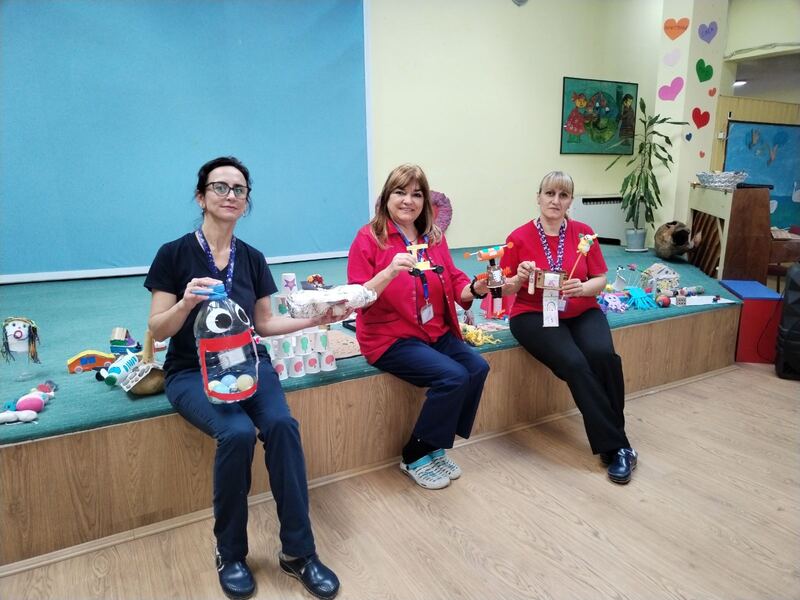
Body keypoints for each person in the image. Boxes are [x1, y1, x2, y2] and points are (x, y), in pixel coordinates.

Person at [145, 157, 343, 600]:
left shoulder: (251, 258)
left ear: (246, 201)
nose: (230, 195)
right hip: (192, 371)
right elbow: (157, 331)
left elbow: (265, 324)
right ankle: (230, 553)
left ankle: (299, 552)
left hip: (249, 363)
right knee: (235, 433)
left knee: (282, 426)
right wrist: (184, 304)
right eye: (220, 187)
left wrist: (319, 319)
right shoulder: (173, 254)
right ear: (201, 197)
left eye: (239, 189)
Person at [347, 164, 490, 490]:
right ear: (387, 197)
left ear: (425, 201)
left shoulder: (433, 237)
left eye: (416, 194)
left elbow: (454, 280)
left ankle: (434, 444)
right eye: (400, 192)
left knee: (477, 367)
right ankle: (414, 454)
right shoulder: (368, 238)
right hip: (389, 337)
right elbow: (356, 297)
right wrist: (388, 272)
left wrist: (476, 288)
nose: (408, 201)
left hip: (433, 331)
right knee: (453, 376)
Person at [499, 171, 637, 484]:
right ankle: (619, 447)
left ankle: (613, 442)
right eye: (550, 193)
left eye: (563, 195)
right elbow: (502, 289)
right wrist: (519, 277)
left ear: (570, 201)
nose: (555, 200)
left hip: (581, 309)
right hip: (533, 314)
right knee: (575, 363)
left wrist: (583, 288)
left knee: (604, 357)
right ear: (538, 197)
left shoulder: (584, 233)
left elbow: (600, 279)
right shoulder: (518, 237)